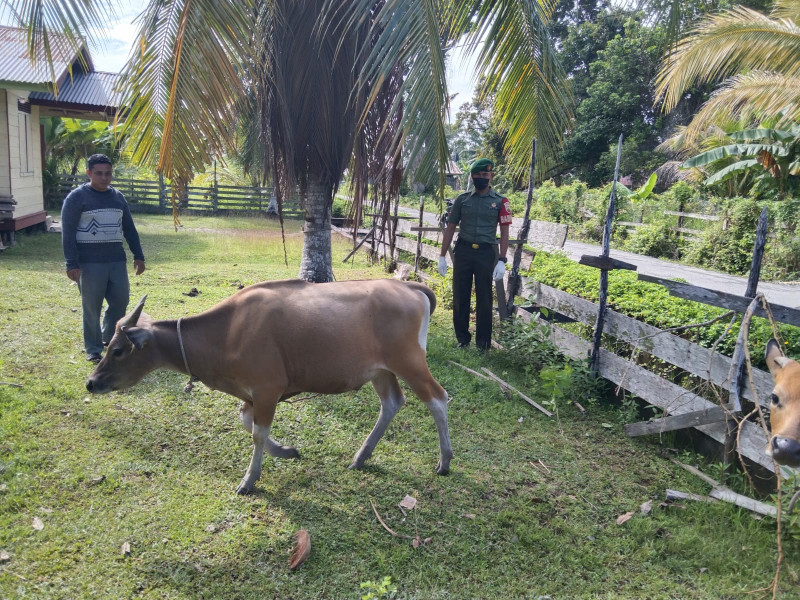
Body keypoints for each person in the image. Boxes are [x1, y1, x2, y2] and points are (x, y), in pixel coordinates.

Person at [61, 154, 146, 362]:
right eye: (98, 173)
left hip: (116, 260)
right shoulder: (76, 198)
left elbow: (129, 228)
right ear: (89, 173)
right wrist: (71, 263)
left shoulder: (118, 197)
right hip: (89, 263)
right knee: (92, 306)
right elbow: (68, 232)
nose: (104, 177)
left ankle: (109, 338)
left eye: (108, 173)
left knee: (121, 301)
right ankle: (93, 349)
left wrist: (139, 255)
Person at [438, 158, 511, 352]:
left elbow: (504, 233)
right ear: (472, 176)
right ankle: (463, 339)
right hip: (463, 251)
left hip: (486, 253)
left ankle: (483, 344)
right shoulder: (463, 200)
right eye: (478, 175)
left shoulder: (501, 201)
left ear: (491, 176)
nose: (482, 178)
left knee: (485, 298)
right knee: (460, 296)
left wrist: (502, 260)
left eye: (485, 175)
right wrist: (442, 256)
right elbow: (451, 227)